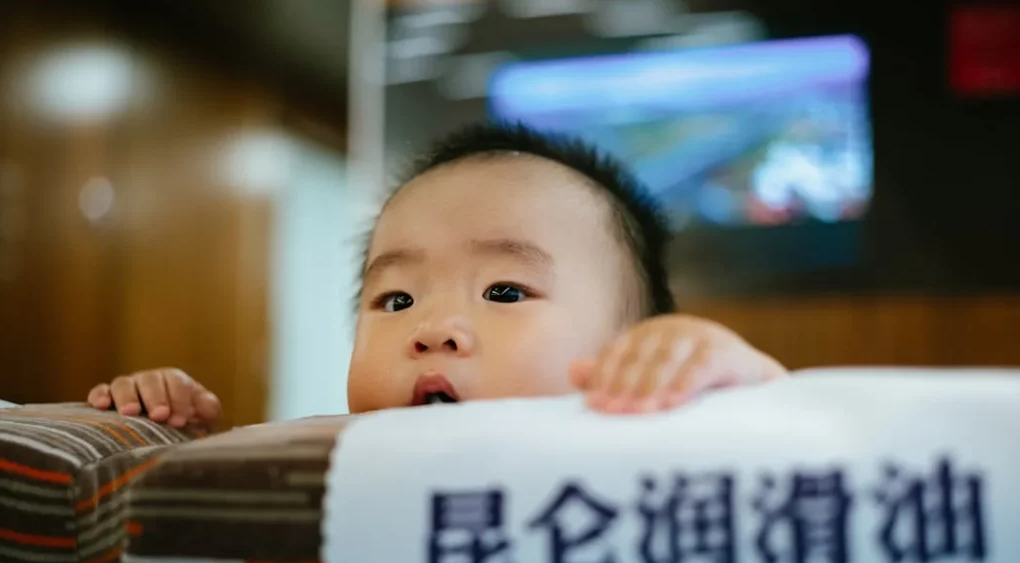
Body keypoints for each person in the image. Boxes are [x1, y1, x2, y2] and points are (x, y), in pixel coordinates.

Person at [87, 124, 785, 431]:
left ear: (632, 343)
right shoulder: (331, 459)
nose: (433, 330)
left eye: (504, 291)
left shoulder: (653, 434)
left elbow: (808, 457)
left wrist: (730, 380)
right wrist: (177, 429)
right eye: (395, 298)